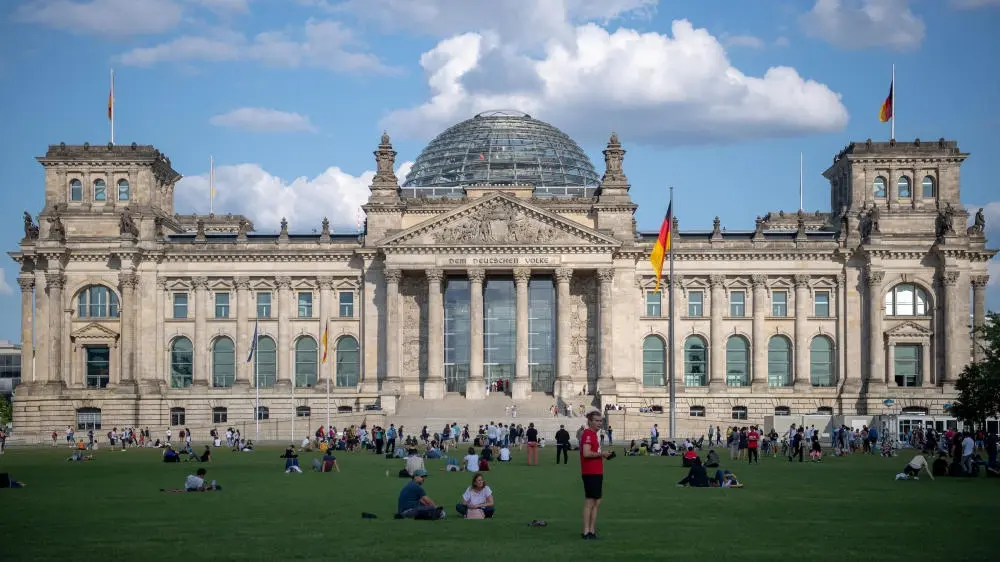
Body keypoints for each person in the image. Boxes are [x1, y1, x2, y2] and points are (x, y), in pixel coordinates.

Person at [580, 410, 612, 540]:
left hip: (596, 471)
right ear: (590, 421)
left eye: (601, 421)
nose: (599, 423)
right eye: (597, 421)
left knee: (596, 501)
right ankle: (586, 531)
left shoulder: (593, 435)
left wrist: (603, 455)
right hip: (590, 472)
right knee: (590, 502)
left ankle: (592, 530)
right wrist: (601, 454)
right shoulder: (588, 434)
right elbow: (586, 453)